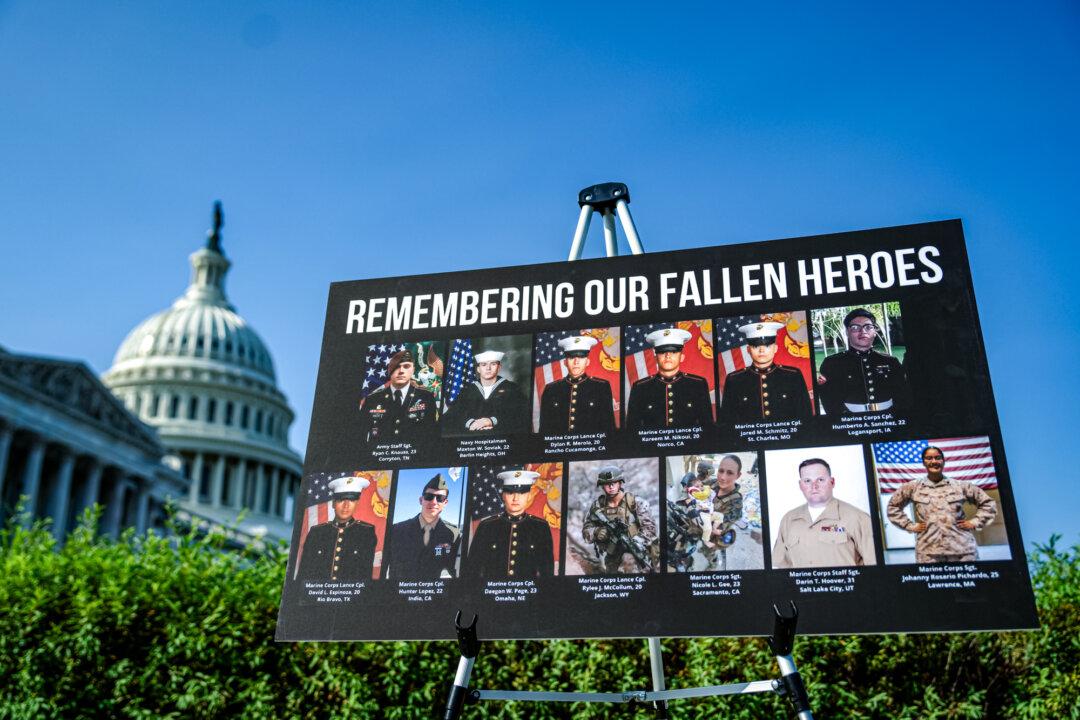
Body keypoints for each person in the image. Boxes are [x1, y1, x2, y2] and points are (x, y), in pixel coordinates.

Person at [886, 445, 998, 563]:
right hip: (928, 553)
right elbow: (893, 507)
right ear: (923, 462)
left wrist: (975, 522)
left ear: (943, 461)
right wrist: (909, 525)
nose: (934, 461)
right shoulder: (913, 487)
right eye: (929, 458)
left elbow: (988, 503)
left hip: (963, 551)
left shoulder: (960, 486)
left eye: (938, 458)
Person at [772, 458, 877, 569]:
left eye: (820, 480)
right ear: (800, 485)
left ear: (832, 482)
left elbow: (874, 566)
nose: (814, 486)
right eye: (807, 481)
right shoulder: (788, 519)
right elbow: (782, 564)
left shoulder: (858, 518)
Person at [817, 309, 911, 415]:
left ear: (875, 332)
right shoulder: (832, 363)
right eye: (855, 327)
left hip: (888, 418)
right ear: (847, 332)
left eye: (868, 327)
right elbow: (828, 397)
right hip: (850, 419)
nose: (863, 332)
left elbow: (903, 395)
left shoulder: (890, 361)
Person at [466, 470, 553, 579]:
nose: (516, 498)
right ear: (503, 495)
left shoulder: (540, 527)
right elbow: (473, 570)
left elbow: (547, 574)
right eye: (510, 492)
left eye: (522, 493)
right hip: (493, 592)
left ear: (529, 495)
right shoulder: (486, 526)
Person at [718, 322, 811, 423]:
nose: (761, 350)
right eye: (755, 346)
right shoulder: (734, 380)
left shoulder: (793, 376)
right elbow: (727, 421)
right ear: (748, 350)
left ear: (775, 348)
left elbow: (805, 417)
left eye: (767, 345)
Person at [625, 327, 713, 430]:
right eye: (662, 352)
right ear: (655, 357)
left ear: (682, 357)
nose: (668, 356)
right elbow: (632, 430)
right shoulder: (640, 388)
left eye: (674, 352)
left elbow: (708, 428)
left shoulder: (697, 385)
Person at [296, 475, 378, 582]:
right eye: (341, 500)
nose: (346, 506)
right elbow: (303, 575)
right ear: (334, 504)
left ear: (357, 503)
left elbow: (364, 577)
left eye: (351, 501)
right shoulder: (316, 533)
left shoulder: (366, 532)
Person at [582, 465, 659, 573]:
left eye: (614, 483)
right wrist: (596, 532)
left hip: (636, 555)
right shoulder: (597, 507)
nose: (611, 486)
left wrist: (637, 542)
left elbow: (650, 529)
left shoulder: (636, 502)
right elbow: (586, 532)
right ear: (602, 486)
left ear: (620, 483)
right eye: (607, 484)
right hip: (612, 559)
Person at [385, 474, 461, 579]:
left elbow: (457, 573)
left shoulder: (453, 534)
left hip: (435, 593)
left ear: (445, 503)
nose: (434, 502)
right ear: (421, 500)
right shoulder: (396, 530)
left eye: (440, 498)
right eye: (429, 496)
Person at [538, 335, 616, 435]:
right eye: (571, 357)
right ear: (565, 362)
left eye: (581, 357)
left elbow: (609, 428)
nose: (576, 362)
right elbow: (544, 430)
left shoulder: (601, 387)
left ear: (587, 362)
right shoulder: (551, 389)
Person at [358, 349, 438, 444]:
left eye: (406, 366)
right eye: (396, 367)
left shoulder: (426, 398)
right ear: (389, 370)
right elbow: (360, 436)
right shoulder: (372, 400)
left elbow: (432, 436)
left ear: (413, 370)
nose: (401, 371)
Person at [443, 350, 529, 434]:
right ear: (478, 369)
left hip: (500, 437)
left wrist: (492, 421)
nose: (488, 368)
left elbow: (522, 415)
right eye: (484, 365)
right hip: (470, 439)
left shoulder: (512, 389)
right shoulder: (467, 391)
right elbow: (452, 416)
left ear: (499, 367)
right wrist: (470, 423)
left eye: (493, 364)